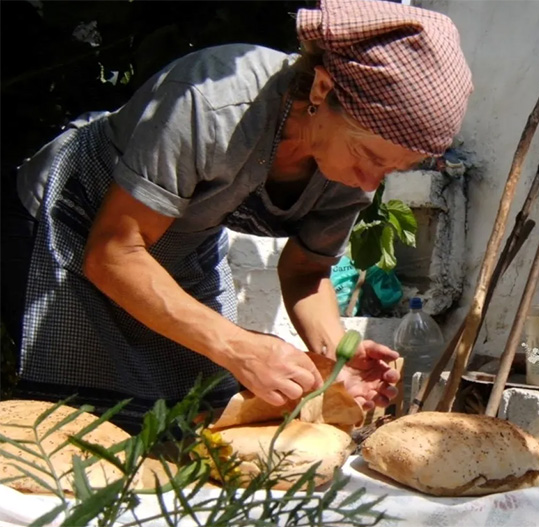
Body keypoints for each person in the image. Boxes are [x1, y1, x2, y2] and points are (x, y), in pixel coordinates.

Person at [1, 0, 473, 433]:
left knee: (200, 409)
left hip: (181, 245)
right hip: (71, 221)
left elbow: (306, 271)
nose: (370, 182)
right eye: (368, 156)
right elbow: (113, 254)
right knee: (75, 426)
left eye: (392, 170)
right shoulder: (212, 103)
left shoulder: (354, 172)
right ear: (323, 88)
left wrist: (338, 355)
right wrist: (237, 346)